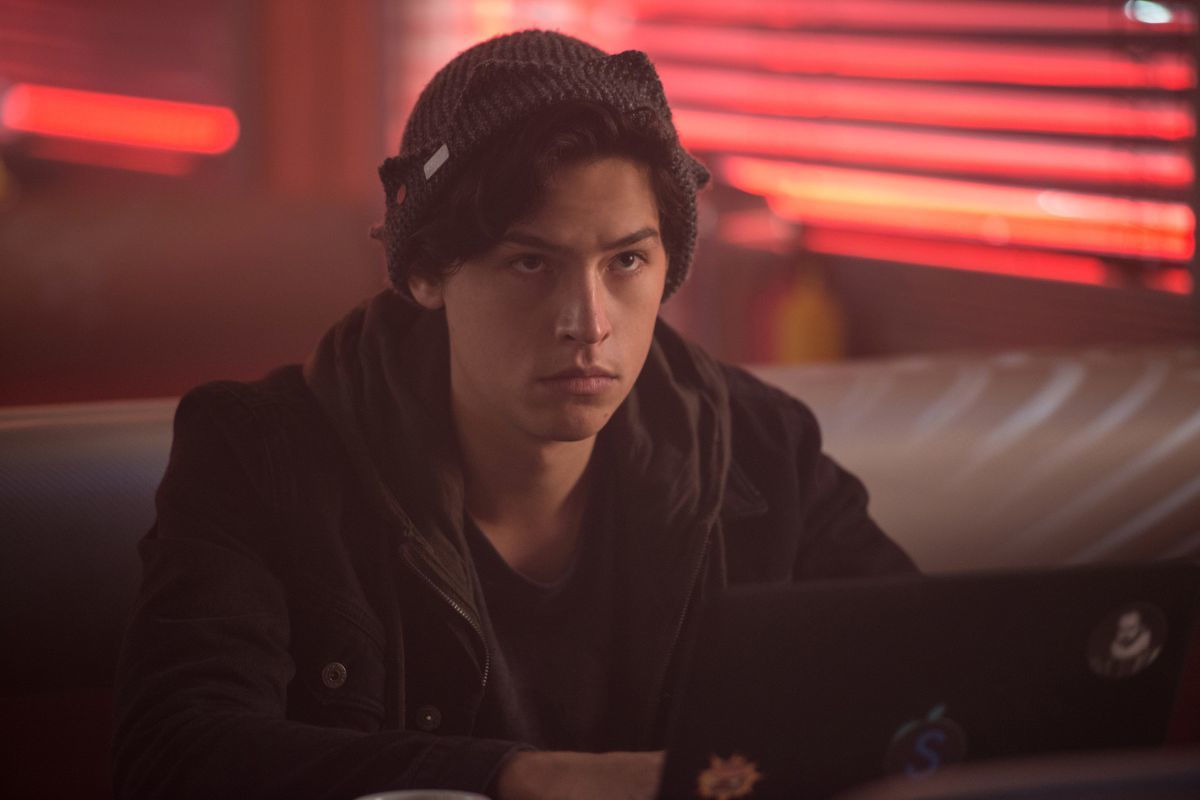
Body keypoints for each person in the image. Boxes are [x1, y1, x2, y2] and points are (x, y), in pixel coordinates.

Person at [112, 29, 915, 800]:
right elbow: (175, 759)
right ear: (427, 272)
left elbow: (930, 691)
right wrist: (528, 780)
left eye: (626, 261)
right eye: (531, 262)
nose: (587, 323)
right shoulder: (258, 454)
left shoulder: (762, 446)